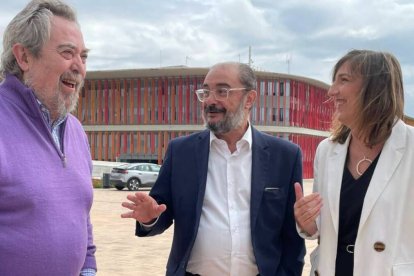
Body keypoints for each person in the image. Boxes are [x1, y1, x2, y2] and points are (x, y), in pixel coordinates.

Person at [121, 61, 305, 276]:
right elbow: (162, 211)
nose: (210, 100)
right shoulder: (181, 152)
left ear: (250, 99)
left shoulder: (285, 156)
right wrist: (149, 217)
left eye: (222, 91)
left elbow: (293, 238)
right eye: (206, 91)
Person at [294, 50, 414, 276]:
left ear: (375, 88)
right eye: (333, 81)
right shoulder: (327, 151)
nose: (331, 91)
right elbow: (320, 228)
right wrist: (307, 222)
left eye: (344, 80)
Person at [0, 0, 97, 275]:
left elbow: (82, 219)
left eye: (84, 56)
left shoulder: (76, 130)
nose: (79, 66)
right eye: (68, 53)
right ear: (24, 57)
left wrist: (88, 269)